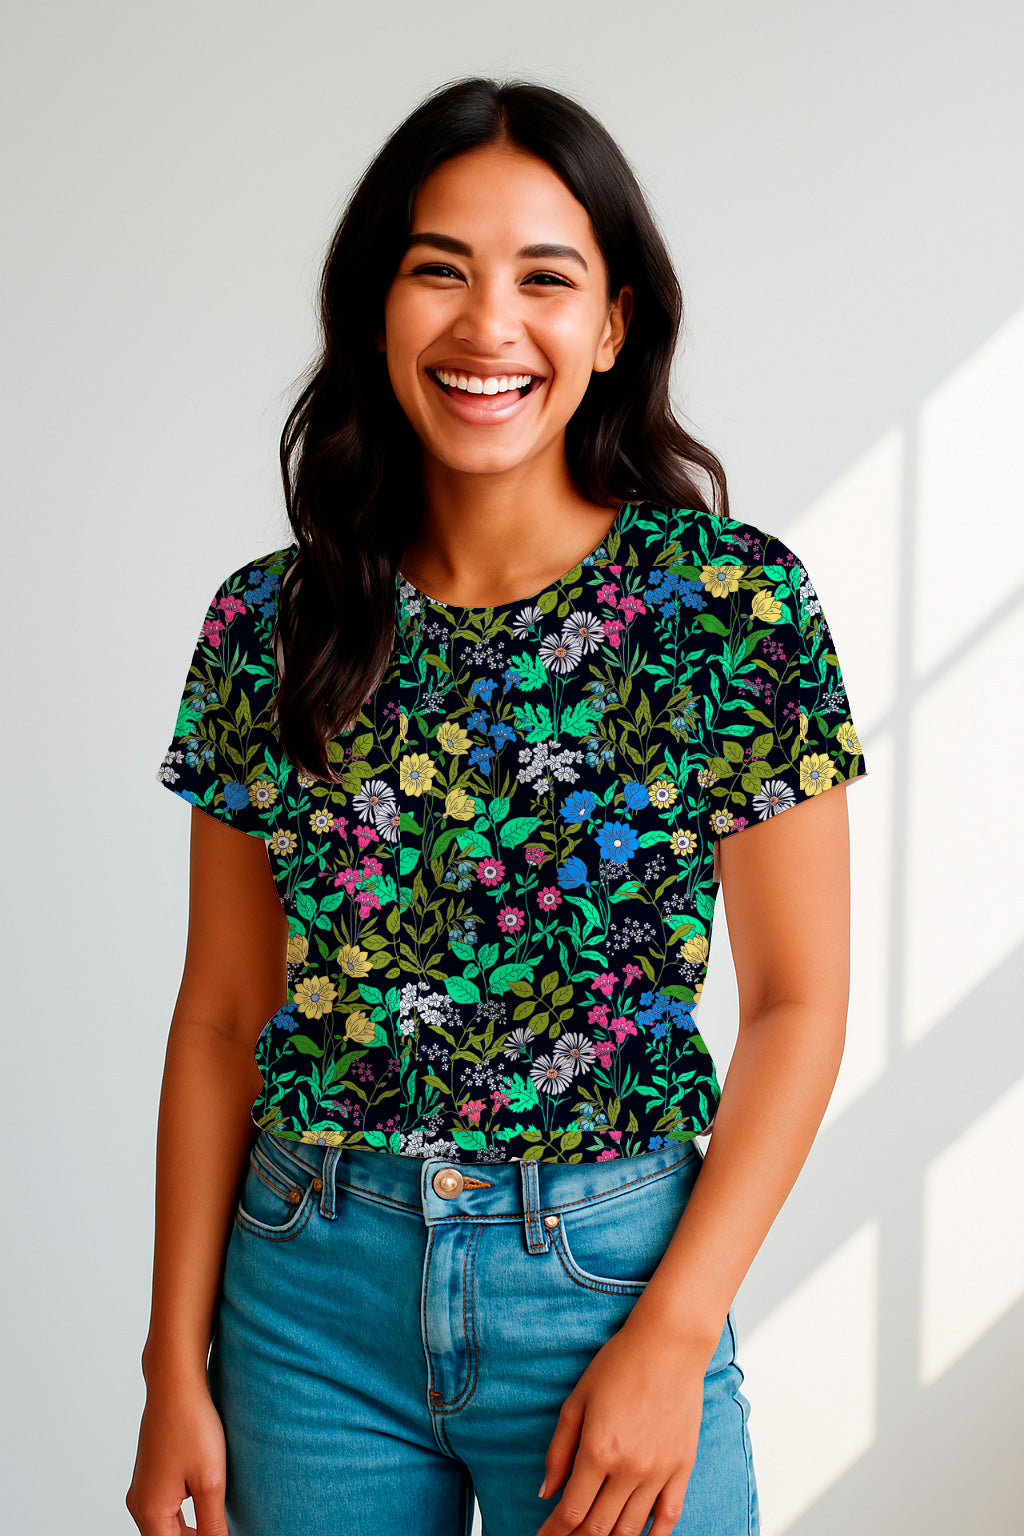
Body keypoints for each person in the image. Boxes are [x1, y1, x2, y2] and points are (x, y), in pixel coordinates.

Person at [127, 76, 868, 1536]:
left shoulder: (726, 607)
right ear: (374, 309)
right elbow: (221, 1010)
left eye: (545, 277)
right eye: (437, 271)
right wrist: (171, 1365)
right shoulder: (269, 623)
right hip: (304, 1301)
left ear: (611, 325)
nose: (486, 328)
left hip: (606, 1284)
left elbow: (800, 1005)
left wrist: (673, 1334)